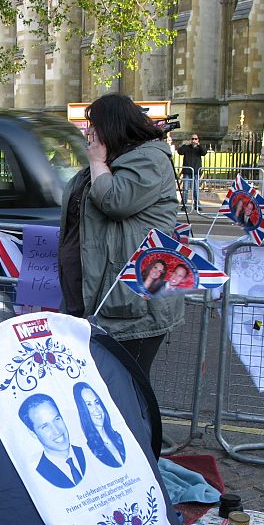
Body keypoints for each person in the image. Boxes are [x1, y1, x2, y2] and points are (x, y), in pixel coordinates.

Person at [58, 93, 183, 378]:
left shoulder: (150, 159)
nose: (89, 132)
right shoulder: (114, 160)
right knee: (103, 387)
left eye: (94, 125)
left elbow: (116, 201)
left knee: (129, 391)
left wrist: (98, 163)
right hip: (96, 297)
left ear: (112, 126)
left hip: (132, 302)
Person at [18, 393, 87, 488]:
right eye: (45, 426)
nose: (56, 431)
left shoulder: (88, 452)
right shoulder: (38, 475)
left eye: (57, 419)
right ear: (33, 433)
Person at [73, 383, 125, 468]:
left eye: (96, 402)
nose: (96, 409)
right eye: (89, 405)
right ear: (83, 411)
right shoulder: (90, 449)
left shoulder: (119, 437)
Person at [176, 133, 207, 210]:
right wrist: (184, 145)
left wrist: (199, 145)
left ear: (198, 140)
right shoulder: (187, 148)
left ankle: (197, 204)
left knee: (195, 189)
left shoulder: (199, 148)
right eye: (192, 139)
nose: (194, 140)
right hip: (187, 171)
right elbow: (180, 152)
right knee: (185, 189)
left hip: (196, 171)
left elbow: (204, 152)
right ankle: (184, 204)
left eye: (195, 139)